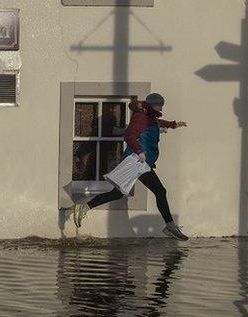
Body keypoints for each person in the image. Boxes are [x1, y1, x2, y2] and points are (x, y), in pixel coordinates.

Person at [71, 93, 190, 241]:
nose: (161, 107)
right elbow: (129, 135)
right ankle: (170, 226)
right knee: (160, 191)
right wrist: (139, 151)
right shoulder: (142, 117)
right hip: (137, 162)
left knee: (118, 193)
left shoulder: (149, 116)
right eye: (159, 105)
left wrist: (173, 124)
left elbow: (156, 123)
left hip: (140, 162)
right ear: (153, 105)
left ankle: (84, 207)